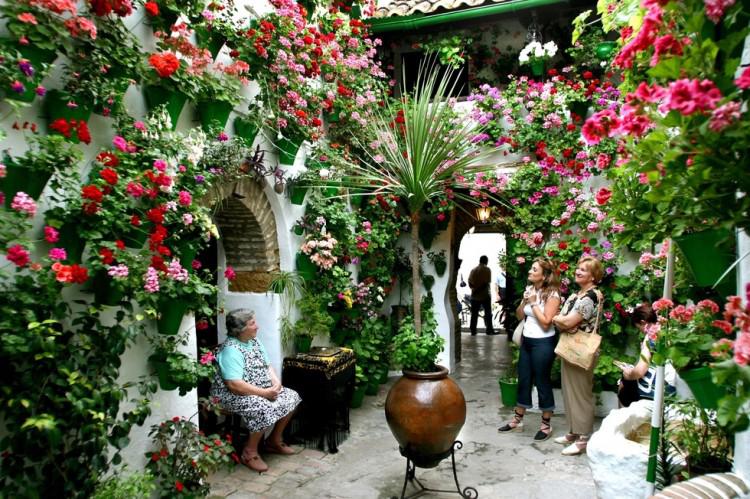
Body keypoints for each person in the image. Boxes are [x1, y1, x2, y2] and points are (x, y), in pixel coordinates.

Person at [211, 309, 302, 473]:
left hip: (259, 389)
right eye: (252, 323)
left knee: (291, 396)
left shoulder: (254, 341)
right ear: (241, 329)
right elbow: (234, 385)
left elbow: (267, 365)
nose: (257, 326)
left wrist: (275, 382)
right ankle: (249, 452)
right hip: (230, 395)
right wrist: (264, 393)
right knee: (261, 407)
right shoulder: (231, 350)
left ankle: (273, 440)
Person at [498, 258, 561, 440]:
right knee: (524, 379)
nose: (530, 272)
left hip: (543, 343)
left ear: (544, 275)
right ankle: (517, 419)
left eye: (534, 270)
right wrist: (524, 302)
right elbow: (520, 316)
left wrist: (534, 303)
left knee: (542, 381)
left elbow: (547, 322)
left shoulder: (553, 295)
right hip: (527, 341)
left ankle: (546, 425)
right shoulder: (531, 291)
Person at [551, 256, 604, 456]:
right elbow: (562, 319)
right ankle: (573, 432)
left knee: (581, 394)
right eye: (578, 269)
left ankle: (584, 438)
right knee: (569, 390)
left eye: (583, 270)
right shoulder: (578, 295)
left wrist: (558, 319)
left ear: (593, 276)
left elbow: (568, 322)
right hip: (570, 348)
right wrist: (561, 319)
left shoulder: (590, 297)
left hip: (581, 350)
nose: (578, 272)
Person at [617, 303, 677, 407]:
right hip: (674, 381)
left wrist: (628, 373)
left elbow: (640, 371)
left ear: (643, 322)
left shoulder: (650, 337)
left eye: (638, 327)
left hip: (660, 387)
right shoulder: (670, 329)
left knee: (623, 383)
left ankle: (624, 415)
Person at [468, 255, 497, 335]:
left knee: (474, 314)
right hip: (485, 295)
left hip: (474, 296)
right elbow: (486, 283)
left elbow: (469, 282)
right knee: (488, 313)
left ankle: (473, 331)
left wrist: (473, 289)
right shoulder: (487, 270)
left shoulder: (473, 270)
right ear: (486, 261)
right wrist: (478, 290)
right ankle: (489, 330)